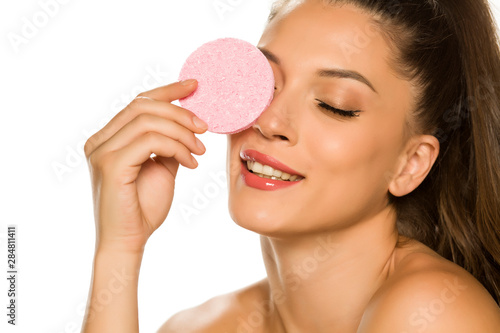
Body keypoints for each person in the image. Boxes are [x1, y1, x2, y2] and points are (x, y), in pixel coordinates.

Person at [80, 0, 500, 332]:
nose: (268, 121)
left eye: (334, 105)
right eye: (264, 84)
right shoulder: (198, 328)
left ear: (410, 164)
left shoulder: (432, 314)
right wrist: (119, 249)